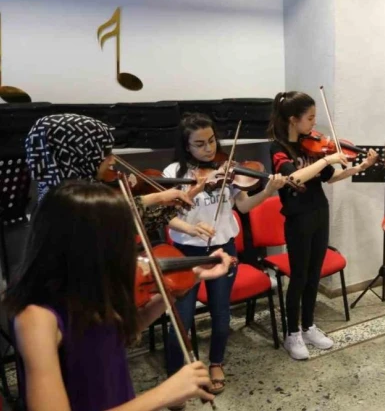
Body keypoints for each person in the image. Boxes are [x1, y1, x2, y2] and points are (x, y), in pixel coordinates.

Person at [1, 181, 234, 411]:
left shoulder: (89, 287)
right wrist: (165, 393)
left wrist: (191, 278)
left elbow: (116, 334)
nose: (129, 248)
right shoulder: (36, 317)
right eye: (120, 238)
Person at [162, 112, 287, 399]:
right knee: (181, 318)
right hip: (186, 253)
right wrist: (191, 228)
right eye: (199, 144)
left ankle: (216, 362)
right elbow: (166, 215)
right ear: (186, 146)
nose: (208, 149)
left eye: (211, 141)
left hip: (223, 250)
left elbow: (243, 206)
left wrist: (269, 189)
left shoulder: (227, 169)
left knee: (221, 313)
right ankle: (175, 375)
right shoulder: (174, 173)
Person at [268, 91, 379, 360]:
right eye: (310, 118)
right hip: (298, 218)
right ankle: (292, 333)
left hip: (320, 212)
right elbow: (294, 177)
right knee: (299, 277)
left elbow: (330, 177)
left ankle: (308, 326)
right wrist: (326, 159)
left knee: (314, 274)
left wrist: (359, 167)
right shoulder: (278, 148)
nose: (314, 124)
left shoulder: (311, 146)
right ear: (293, 120)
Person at [24, 113, 201, 237]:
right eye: (105, 153)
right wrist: (157, 197)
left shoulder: (63, 193)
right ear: (79, 155)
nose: (112, 160)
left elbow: (131, 222)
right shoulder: (61, 202)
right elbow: (107, 212)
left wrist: (180, 198)